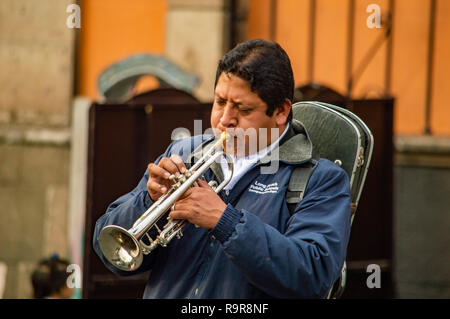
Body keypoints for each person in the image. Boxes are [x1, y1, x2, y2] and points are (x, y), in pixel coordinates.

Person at [93, 39, 351, 298]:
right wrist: (147, 200)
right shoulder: (183, 153)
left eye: (243, 108)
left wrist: (224, 221)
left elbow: (311, 276)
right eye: (219, 102)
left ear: (281, 111)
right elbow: (112, 254)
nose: (225, 119)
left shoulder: (321, 180)